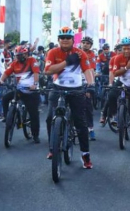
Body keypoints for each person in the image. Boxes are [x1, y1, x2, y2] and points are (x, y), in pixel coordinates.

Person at [44, 27, 95, 169]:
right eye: (62, 38)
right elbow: (47, 71)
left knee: (80, 122)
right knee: (50, 118)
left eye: (68, 38)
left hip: (77, 90)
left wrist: (91, 84)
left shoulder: (80, 53)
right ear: (58, 40)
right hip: (57, 88)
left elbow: (87, 70)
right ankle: (52, 148)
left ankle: (85, 155)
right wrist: (67, 62)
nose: (65, 40)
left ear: (73, 40)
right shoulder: (53, 52)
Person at [0, 45, 41, 143]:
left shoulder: (32, 61)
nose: (18, 57)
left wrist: (34, 84)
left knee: (33, 113)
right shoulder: (14, 64)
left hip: (31, 92)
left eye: (20, 55)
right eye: (17, 55)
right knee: (5, 98)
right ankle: (7, 117)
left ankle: (35, 135)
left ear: (26, 54)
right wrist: (1, 80)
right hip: (20, 90)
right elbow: (6, 73)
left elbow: (36, 74)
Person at [80, 36, 98, 140]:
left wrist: (89, 85)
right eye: (84, 42)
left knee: (87, 106)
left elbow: (91, 70)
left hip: (86, 80)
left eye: (88, 43)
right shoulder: (75, 51)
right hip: (74, 81)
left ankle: (90, 129)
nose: (85, 44)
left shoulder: (91, 55)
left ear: (90, 45)